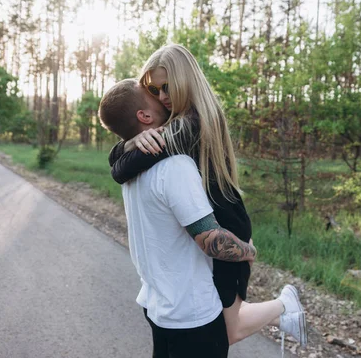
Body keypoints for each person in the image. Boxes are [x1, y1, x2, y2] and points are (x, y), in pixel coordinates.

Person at [106, 44, 307, 348]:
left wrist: (128, 145)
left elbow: (121, 170)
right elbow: (123, 159)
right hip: (210, 219)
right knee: (224, 327)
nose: (162, 96)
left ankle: (285, 305)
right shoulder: (175, 122)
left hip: (228, 226)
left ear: (186, 80)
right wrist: (131, 141)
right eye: (154, 88)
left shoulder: (193, 121)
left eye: (168, 86)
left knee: (226, 328)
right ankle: (284, 312)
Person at [99, 79, 255, 357]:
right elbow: (210, 240)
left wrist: (126, 146)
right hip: (190, 313)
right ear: (144, 116)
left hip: (156, 303)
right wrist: (248, 250)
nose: (162, 97)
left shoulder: (131, 172)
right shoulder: (175, 166)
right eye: (153, 94)